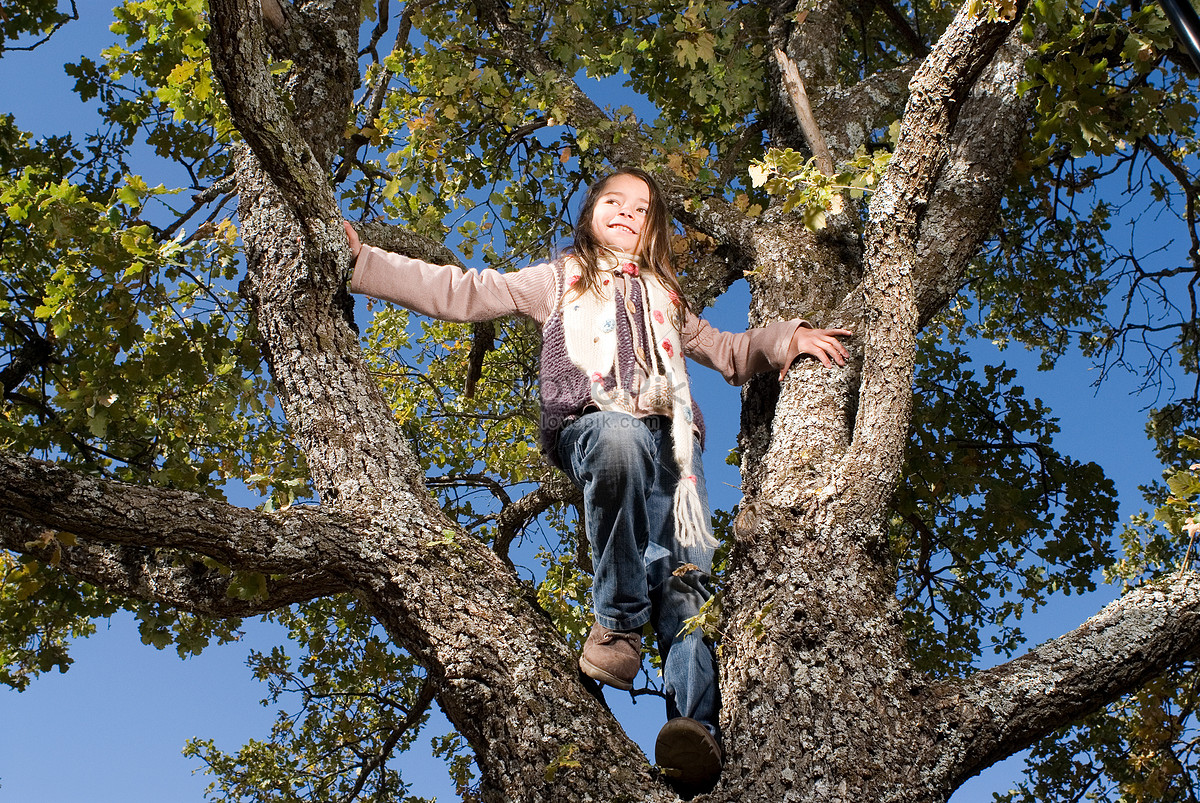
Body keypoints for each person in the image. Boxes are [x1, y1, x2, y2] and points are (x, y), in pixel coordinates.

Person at [343, 168, 851, 791]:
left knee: (689, 589)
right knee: (620, 438)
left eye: (643, 210)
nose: (628, 213)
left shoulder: (667, 299)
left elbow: (728, 350)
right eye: (614, 201)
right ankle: (616, 622)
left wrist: (786, 337)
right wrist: (364, 264)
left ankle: (694, 734)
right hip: (597, 428)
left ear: (655, 231)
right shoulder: (557, 279)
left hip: (675, 462)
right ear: (589, 215)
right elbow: (464, 290)